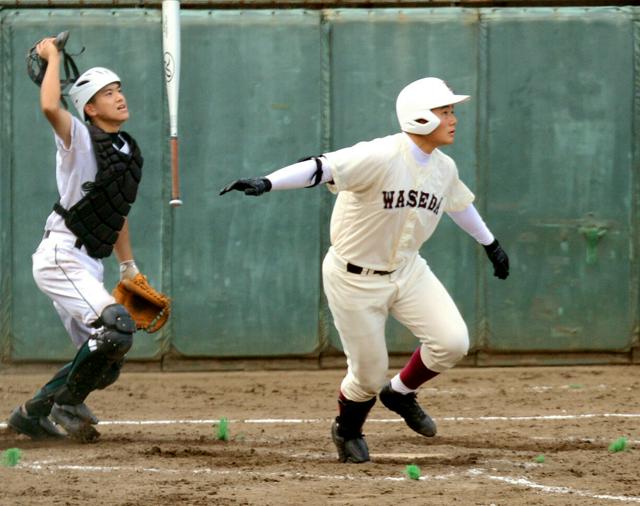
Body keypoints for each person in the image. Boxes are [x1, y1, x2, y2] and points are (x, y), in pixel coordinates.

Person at [220, 77, 509, 463]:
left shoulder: (444, 167)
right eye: (445, 112)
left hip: (408, 271)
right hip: (353, 278)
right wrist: (268, 182)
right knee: (368, 377)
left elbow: (458, 205)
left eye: (452, 111)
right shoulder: (379, 155)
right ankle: (348, 430)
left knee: (452, 342)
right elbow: (321, 168)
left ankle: (401, 393)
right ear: (421, 118)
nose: (453, 119)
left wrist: (490, 243)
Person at [7, 37, 145, 442]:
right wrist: (51, 58)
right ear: (89, 108)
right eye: (107, 93)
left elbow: (116, 211)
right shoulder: (79, 138)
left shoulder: (126, 151)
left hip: (90, 260)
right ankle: (65, 405)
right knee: (115, 327)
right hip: (61, 255)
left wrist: (128, 266)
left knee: (109, 358)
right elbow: (51, 106)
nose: (118, 97)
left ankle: (33, 413)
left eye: (118, 89)